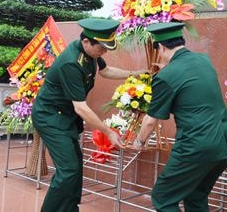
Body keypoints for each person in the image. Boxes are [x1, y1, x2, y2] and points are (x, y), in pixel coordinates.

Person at [32, 17, 147, 212]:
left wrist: (135, 73)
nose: (104, 52)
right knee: (68, 170)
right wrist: (108, 132)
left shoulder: (90, 53)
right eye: (102, 48)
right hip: (50, 117)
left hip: (65, 116)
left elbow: (107, 70)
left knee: (75, 168)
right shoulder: (71, 63)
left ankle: (69, 209)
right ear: (86, 42)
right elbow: (81, 108)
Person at [133, 22, 227, 212]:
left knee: (163, 197)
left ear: (162, 47)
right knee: (195, 194)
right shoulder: (203, 60)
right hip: (226, 144)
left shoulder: (165, 76)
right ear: (181, 41)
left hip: (196, 147)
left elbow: (150, 120)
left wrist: (139, 142)